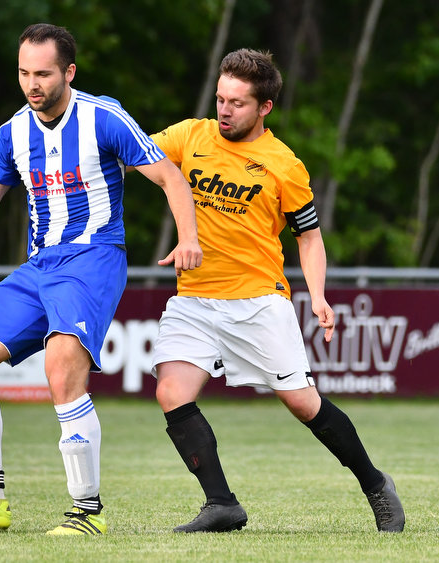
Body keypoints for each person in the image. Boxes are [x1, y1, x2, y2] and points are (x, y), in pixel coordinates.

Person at [0, 23, 202, 536]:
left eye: (42, 73)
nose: (32, 83)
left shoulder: (103, 118)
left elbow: (170, 177)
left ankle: (88, 512)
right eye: (24, 72)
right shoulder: (11, 133)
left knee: (62, 368)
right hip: (39, 265)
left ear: (69, 71)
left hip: (92, 259)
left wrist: (188, 237)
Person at [148, 48, 405, 533]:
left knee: (303, 403)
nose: (224, 110)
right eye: (221, 99)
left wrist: (321, 296)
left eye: (237, 103)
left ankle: (375, 485)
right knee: (171, 392)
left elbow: (308, 237)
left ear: (264, 107)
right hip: (194, 298)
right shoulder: (189, 135)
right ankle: (222, 504)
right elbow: (134, 153)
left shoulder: (284, 164)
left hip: (258, 301)